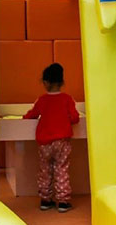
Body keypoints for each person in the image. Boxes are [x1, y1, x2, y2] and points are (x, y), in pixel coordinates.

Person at [23, 63, 80, 213]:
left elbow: (32, 115)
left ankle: (45, 200)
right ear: (62, 82)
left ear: (46, 82)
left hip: (45, 142)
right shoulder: (67, 99)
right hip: (62, 141)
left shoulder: (42, 100)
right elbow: (75, 118)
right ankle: (63, 201)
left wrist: (24, 117)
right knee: (62, 169)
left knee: (45, 170)